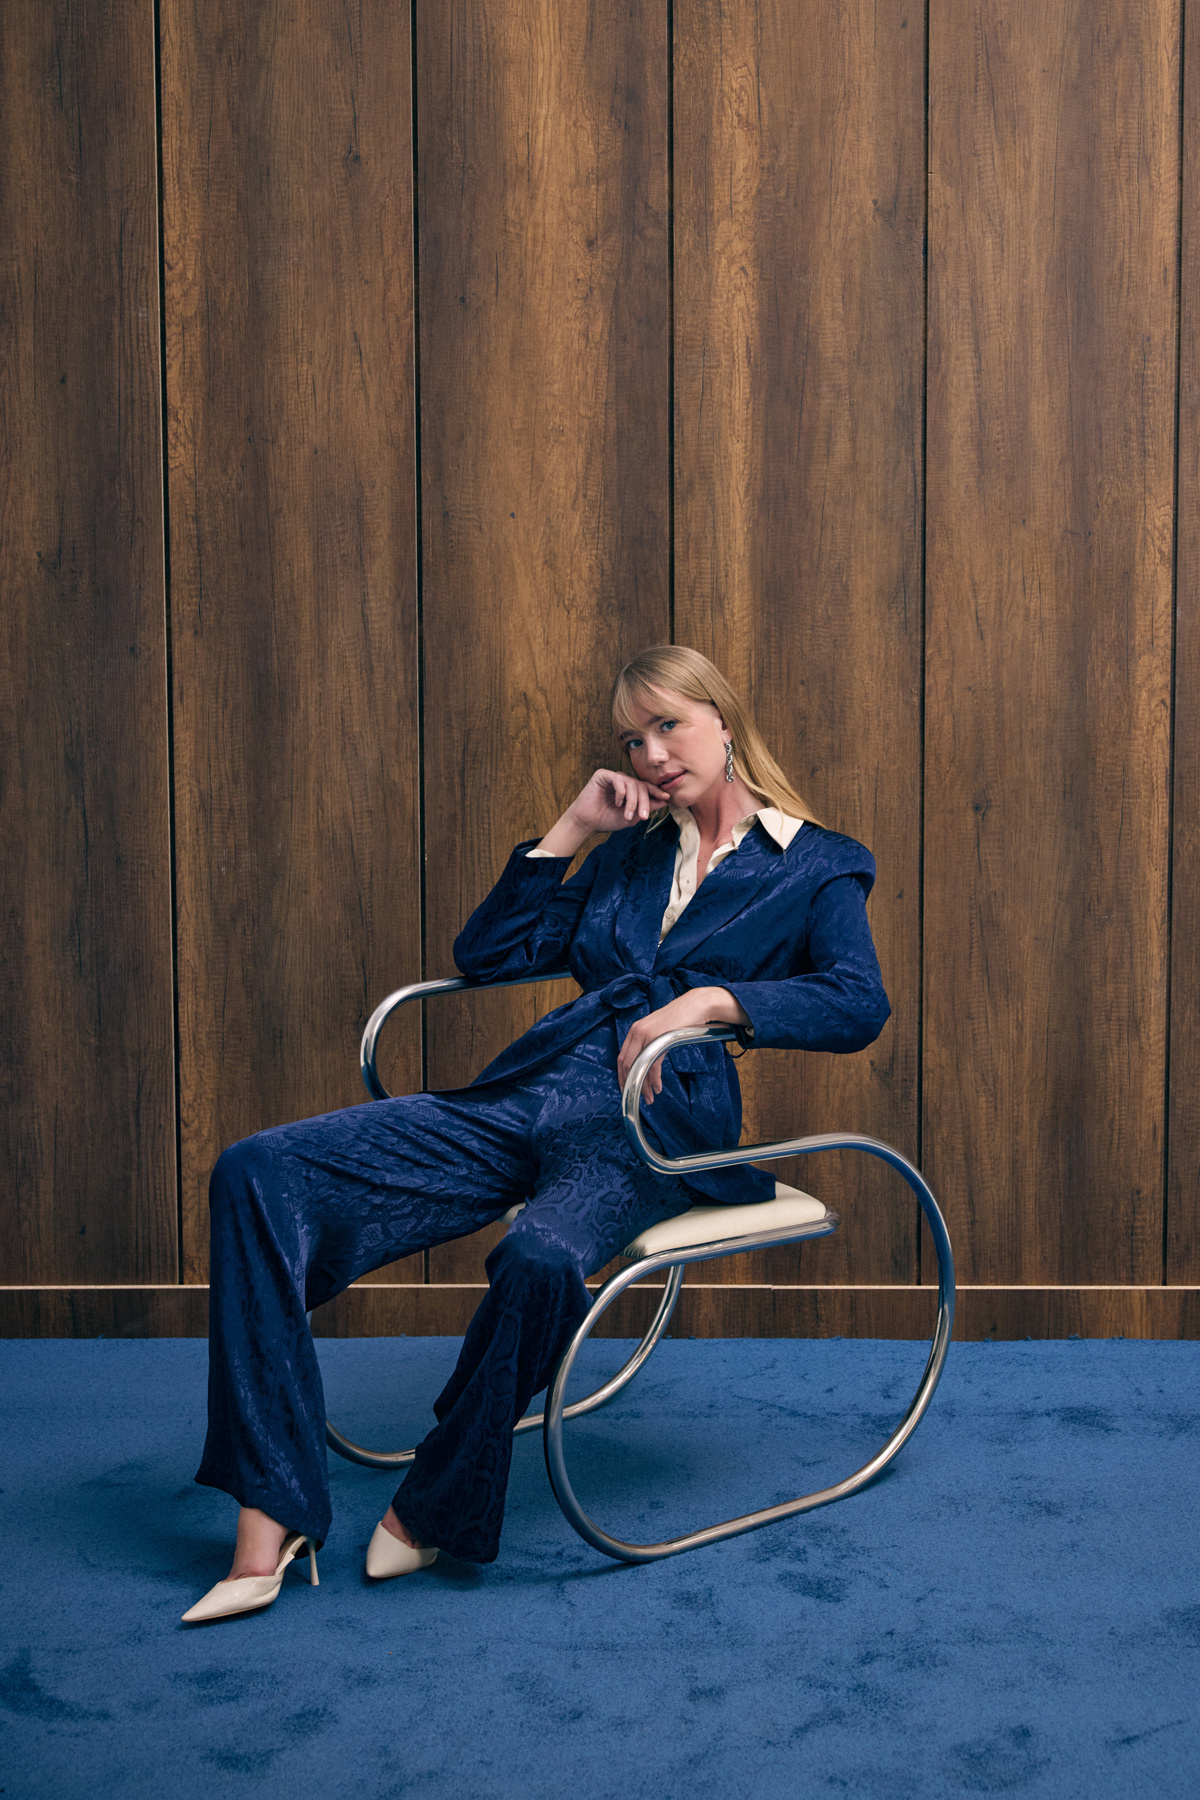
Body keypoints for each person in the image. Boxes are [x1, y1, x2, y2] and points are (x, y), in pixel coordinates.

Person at [183, 645, 890, 1623]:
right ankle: (271, 1509)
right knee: (258, 1169)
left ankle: (442, 1493)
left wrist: (712, 1002)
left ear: (725, 722)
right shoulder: (629, 855)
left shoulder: (815, 862)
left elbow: (857, 1001)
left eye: (670, 726)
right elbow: (489, 953)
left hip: (652, 1123)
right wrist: (573, 827)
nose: (652, 755)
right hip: (528, 1091)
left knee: (541, 1258)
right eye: (633, 740)